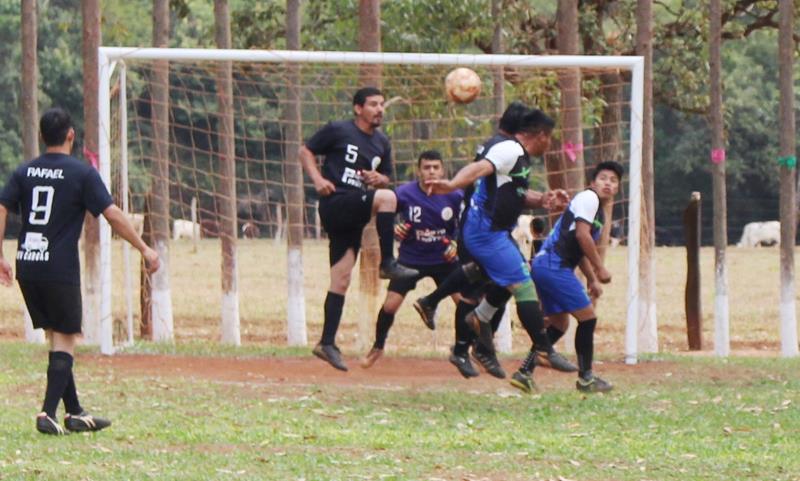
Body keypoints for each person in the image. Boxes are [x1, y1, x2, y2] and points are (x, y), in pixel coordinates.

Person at [0, 107, 160, 435]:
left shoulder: (24, 171)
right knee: (66, 336)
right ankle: (47, 413)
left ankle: (74, 412)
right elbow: (112, 214)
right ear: (71, 136)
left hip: (28, 264)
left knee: (57, 335)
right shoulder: (82, 173)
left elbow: (1, 205)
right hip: (59, 267)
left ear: (42, 137)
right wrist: (143, 248)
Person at [425, 103, 575, 386]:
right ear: (541, 134)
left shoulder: (517, 154)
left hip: (492, 231)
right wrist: (451, 185)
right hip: (485, 232)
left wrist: (543, 199)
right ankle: (542, 349)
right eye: (550, 138)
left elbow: (513, 191)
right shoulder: (510, 149)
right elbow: (478, 168)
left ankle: (475, 321)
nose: (550, 144)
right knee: (523, 283)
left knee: (504, 283)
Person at [299, 87, 418, 372]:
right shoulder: (339, 130)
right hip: (336, 202)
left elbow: (386, 177)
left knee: (341, 279)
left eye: (382, 105)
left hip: (354, 212)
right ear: (358, 108)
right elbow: (306, 150)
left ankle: (326, 343)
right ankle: (388, 262)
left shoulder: (382, 142)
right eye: (373, 104)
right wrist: (317, 179)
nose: (380, 109)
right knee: (390, 198)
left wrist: (380, 178)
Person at [510, 161, 623, 394]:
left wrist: (591, 279)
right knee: (588, 318)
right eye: (603, 178)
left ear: (618, 187)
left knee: (560, 324)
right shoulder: (589, 198)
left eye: (613, 181)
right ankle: (586, 378)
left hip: (547, 266)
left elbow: (579, 245)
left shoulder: (595, 210)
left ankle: (524, 373)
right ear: (593, 182)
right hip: (553, 266)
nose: (608, 184)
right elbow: (583, 236)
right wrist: (600, 269)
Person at [360, 150, 463, 368]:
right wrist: (396, 229)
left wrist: (456, 243)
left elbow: (463, 226)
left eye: (436, 167)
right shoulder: (405, 193)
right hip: (410, 260)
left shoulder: (454, 195)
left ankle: (465, 350)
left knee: (465, 304)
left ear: (443, 170)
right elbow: (387, 217)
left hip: (444, 261)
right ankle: (377, 347)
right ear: (419, 171)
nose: (431, 171)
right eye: (427, 167)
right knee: (389, 307)